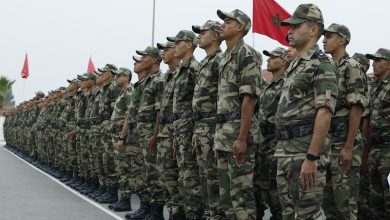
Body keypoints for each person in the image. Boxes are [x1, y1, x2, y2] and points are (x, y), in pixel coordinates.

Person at [275, 4, 339, 219]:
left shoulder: (321, 65)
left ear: (313, 30)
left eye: (295, 26)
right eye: (289, 27)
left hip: (304, 152)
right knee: (289, 213)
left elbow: (325, 112)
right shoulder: (295, 65)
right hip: (285, 150)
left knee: (307, 214)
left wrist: (312, 157)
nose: (289, 31)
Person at [215, 8, 263, 219]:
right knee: (226, 197)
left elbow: (249, 98)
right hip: (224, 135)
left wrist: (242, 138)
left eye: (228, 21)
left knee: (241, 198)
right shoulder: (225, 57)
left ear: (240, 27)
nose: (222, 24)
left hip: (238, 135)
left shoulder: (246, 54)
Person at [322, 23, 368, 220]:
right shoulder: (327, 67)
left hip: (343, 141)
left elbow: (356, 108)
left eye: (329, 36)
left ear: (342, 40)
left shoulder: (352, 67)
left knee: (345, 204)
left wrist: (349, 147)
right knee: (328, 203)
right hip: (327, 143)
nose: (324, 40)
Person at [191, 20, 225, 220]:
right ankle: (209, 213)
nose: (198, 36)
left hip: (214, 126)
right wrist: (197, 130)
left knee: (213, 176)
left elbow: (224, 98)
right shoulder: (205, 62)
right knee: (204, 175)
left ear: (214, 36)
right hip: (202, 126)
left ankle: (216, 214)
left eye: (202, 32)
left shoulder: (219, 61)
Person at [167, 30, 202, 219]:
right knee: (183, 176)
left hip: (190, 128)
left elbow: (200, 102)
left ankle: (194, 214)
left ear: (188, 44)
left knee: (191, 177)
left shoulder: (195, 68)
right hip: (180, 129)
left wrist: (195, 131)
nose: (173, 47)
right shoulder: (181, 70)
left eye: (177, 42)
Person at [256, 47, 289, 220]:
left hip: (277, 141)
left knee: (277, 187)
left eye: (273, 57)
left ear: (284, 61)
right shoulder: (269, 85)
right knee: (265, 186)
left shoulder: (286, 84)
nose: (268, 60)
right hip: (264, 141)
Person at [135, 46, 165, 219]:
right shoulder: (147, 81)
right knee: (145, 173)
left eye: (145, 57)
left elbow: (159, 112)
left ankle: (156, 212)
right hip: (142, 131)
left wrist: (155, 135)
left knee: (153, 174)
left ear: (154, 60)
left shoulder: (159, 80)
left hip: (150, 132)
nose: (142, 60)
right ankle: (145, 207)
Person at [156, 41, 185, 219]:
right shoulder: (167, 76)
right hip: (164, 131)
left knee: (176, 175)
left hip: (177, 130)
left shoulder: (183, 73)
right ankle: (172, 210)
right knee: (164, 174)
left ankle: (178, 212)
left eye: (167, 49)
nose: (164, 53)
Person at [365, 48, 390, 219]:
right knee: (376, 201)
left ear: (388, 63)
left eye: (377, 60)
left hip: (389, 150)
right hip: (375, 149)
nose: (373, 63)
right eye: (373, 60)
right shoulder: (374, 87)